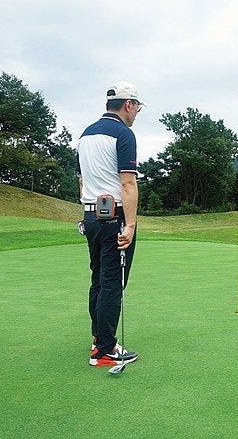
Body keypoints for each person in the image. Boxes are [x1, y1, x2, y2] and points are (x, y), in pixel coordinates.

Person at [76, 81, 145, 366]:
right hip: (114, 218)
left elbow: (81, 181)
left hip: (91, 216)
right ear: (128, 104)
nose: (138, 111)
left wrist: (86, 214)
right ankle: (104, 350)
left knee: (99, 280)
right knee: (112, 283)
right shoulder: (123, 134)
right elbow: (127, 183)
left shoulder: (85, 135)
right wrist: (130, 225)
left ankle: (98, 338)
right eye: (137, 106)